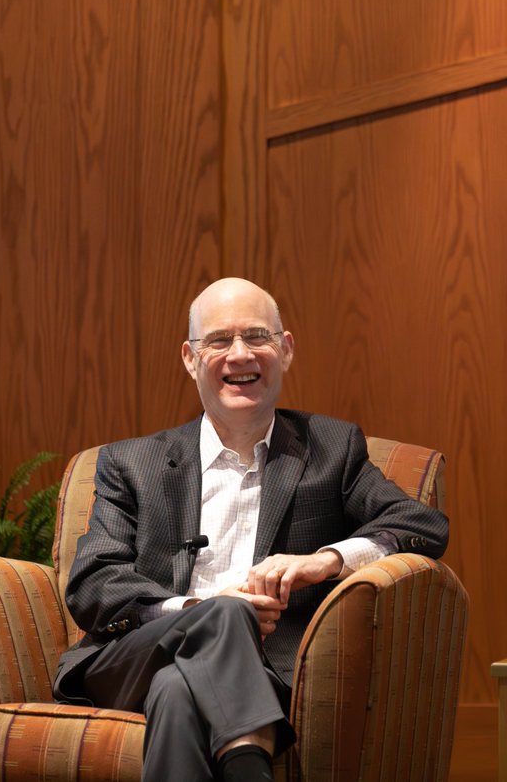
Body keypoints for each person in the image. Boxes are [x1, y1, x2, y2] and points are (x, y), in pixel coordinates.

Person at [53, 278, 449, 782]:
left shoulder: (332, 449)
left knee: (176, 690)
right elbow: (92, 584)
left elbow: (422, 525)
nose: (240, 354)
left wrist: (323, 560)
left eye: (257, 336)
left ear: (284, 351)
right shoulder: (132, 463)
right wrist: (204, 611)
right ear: (190, 359)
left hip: (262, 670)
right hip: (127, 658)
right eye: (219, 341)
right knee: (223, 616)